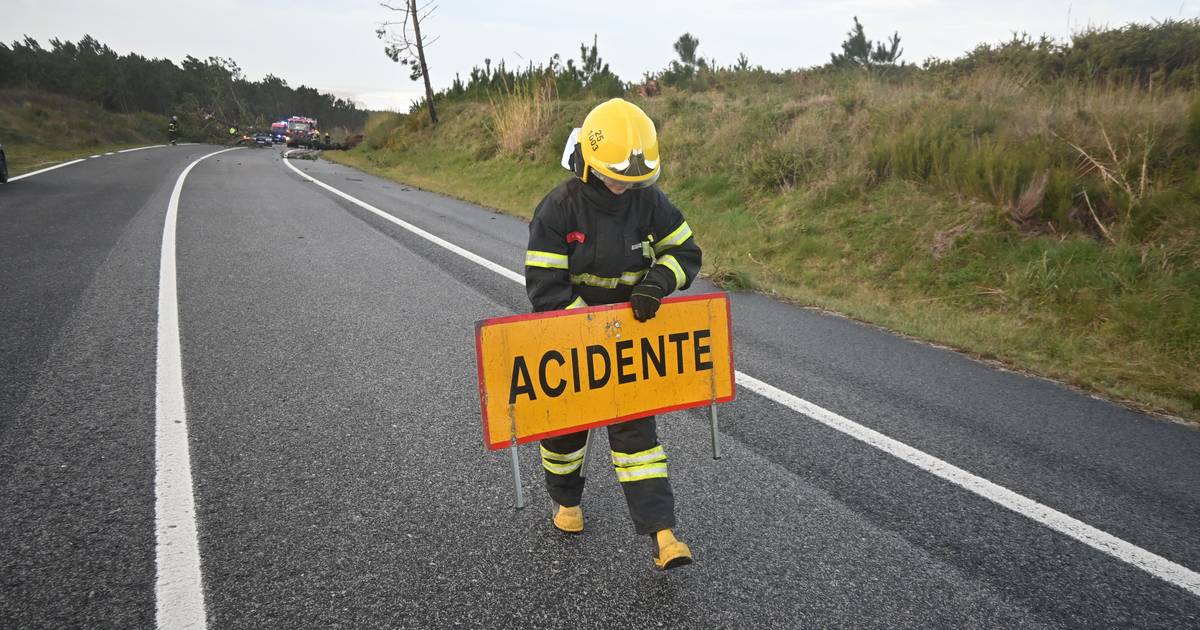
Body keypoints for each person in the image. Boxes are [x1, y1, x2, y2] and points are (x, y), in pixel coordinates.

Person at [524, 98, 702, 570]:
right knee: (564, 434)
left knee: (639, 440)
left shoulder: (649, 202)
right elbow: (544, 286)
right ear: (593, 163)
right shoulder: (558, 209)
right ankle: (566, 501)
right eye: (618, 177)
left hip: (627, 345)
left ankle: (664, 536)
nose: (626, 187)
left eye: (635, 179)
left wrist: (657, 283)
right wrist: (589, 327)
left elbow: (685, 253)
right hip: (571, 339)